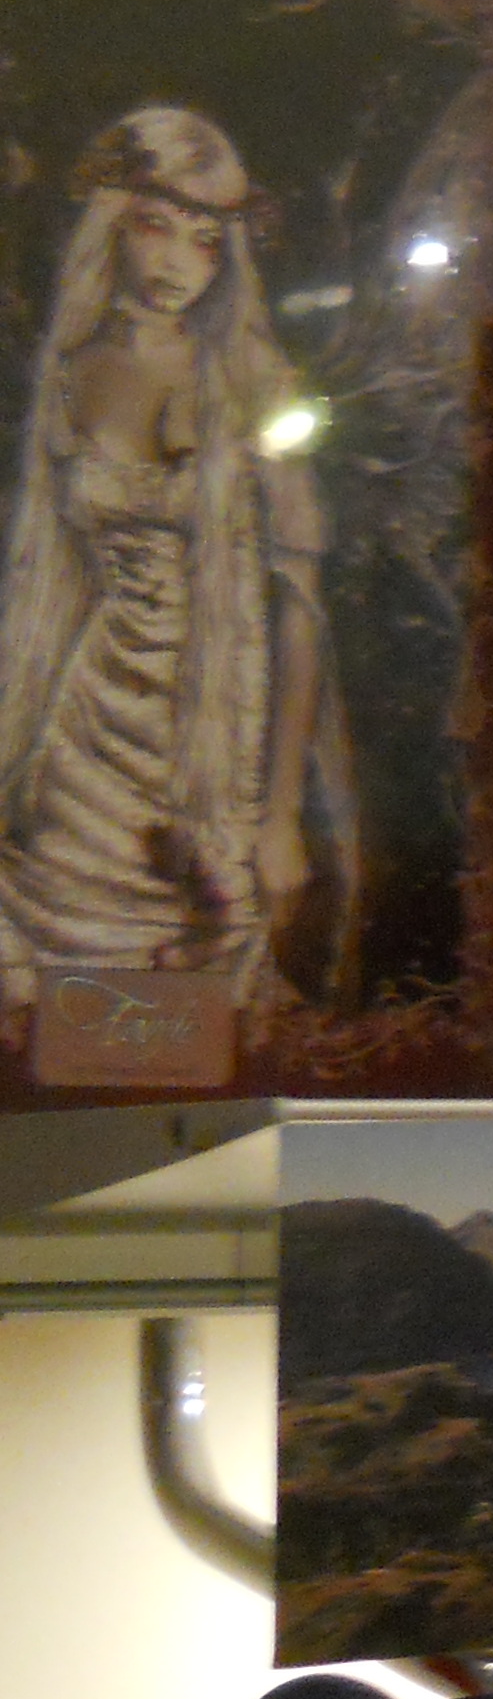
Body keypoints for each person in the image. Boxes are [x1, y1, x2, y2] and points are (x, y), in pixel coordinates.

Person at [0, 107, 330, 1019]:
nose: (179, 260)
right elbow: (50, 581)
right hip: (83, 740)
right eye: (156, 224)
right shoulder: (71, 371)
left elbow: (298, 608)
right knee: (53, 1000)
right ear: (113, 223)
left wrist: (280, 814)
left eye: (206, 239)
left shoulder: (255, 384)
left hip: (213, 745)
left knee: (199, 994)